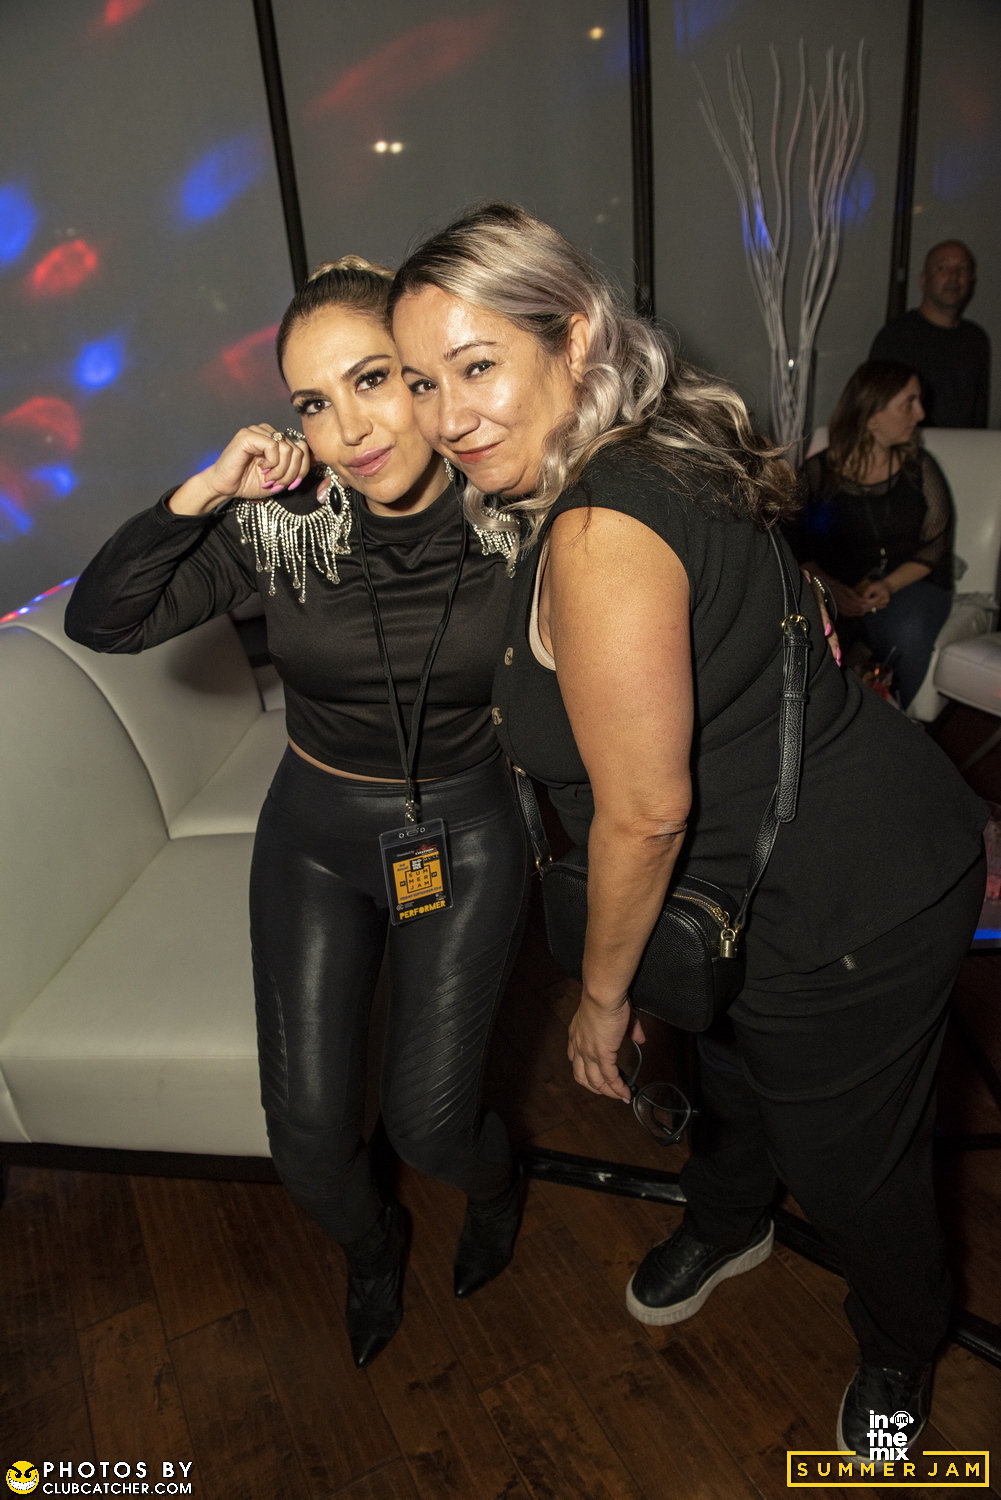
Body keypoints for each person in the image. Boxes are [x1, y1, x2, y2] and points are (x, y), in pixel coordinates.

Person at [389, 205, 987, 1461]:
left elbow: (646, 813)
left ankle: (899, 1339)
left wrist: (601, 998)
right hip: (741, 897)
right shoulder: (642, 440)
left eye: (477, 365)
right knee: (723, 1072)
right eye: (423, 382)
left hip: (848, 902)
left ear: (574, 337)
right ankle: (728, 1217)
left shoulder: (602, 525)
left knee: (854, 1170)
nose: (447, 417)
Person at [65, 257, 528, 1370]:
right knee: (311, 1147)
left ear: (426, 376)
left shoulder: (518, 520)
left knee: (431, 1124)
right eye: (313, 403)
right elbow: (103, 621)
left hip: (462, 834)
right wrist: (208, 490)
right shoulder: (282, 528)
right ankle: (373, 1249)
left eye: (372, 380)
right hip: (314, 836)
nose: (348, 429)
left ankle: (498, 1184)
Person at [788, 359, 954, 709]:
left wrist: (889, 585)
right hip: (838, 584)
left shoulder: (919, 468)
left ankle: (893, 720)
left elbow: (935, 543)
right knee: (816, 634)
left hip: (910, 583)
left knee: (907, 630)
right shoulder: (819, 473)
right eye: (908, 403)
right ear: (872, 415)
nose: (921, 414)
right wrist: (830, 586)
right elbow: (795, 542)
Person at [870, 241, 990, 428]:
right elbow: (876, 409)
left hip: (962, 444)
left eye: (962, 268)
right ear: (924, 280)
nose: (954, 276)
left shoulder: (976, 339)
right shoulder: (896, 337)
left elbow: (978, 415)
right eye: (942, 268)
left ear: (971, 282)